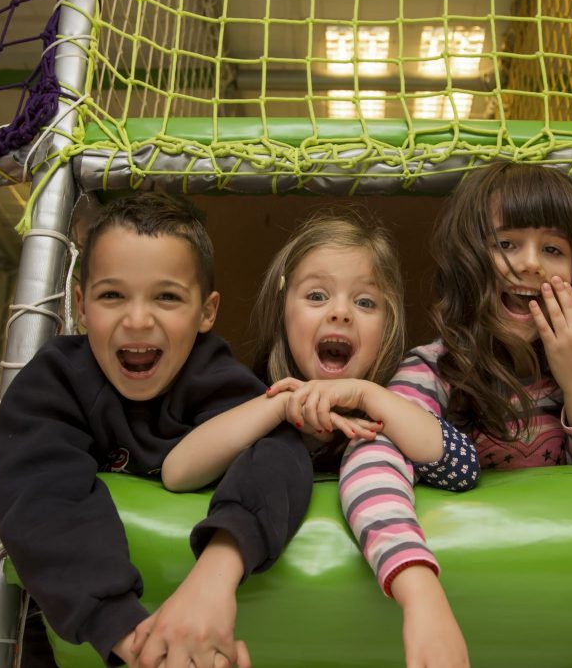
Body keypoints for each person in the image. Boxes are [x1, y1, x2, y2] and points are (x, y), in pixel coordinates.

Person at [327, 162, 572, 666]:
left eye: (553, 249)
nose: (529, 264)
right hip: (460, 607)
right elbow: (370, 457)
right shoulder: (434, 369)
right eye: (506, 243)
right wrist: (418, 591)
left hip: (561, 616)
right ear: (469, 259)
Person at [0, 192, 312, 668]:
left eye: (166, 297)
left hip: (213, 621)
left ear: (207, 311)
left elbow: (280, 456)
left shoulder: (216, 380)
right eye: (112, 295)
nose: (138, 320)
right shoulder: (55, 382)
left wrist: (215, 577)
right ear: (81, 305)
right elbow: (42, 494)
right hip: (87, 636)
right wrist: (136, 640)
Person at [162, 213, 478, 668]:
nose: (341, 312)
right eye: (316, 296)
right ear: (283, 310)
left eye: (366, 303)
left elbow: (462, 466)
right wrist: (276, 408)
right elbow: (177, 472)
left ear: (388, 326)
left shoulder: (395, 403)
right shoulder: (253, 397)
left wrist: (370, 397)